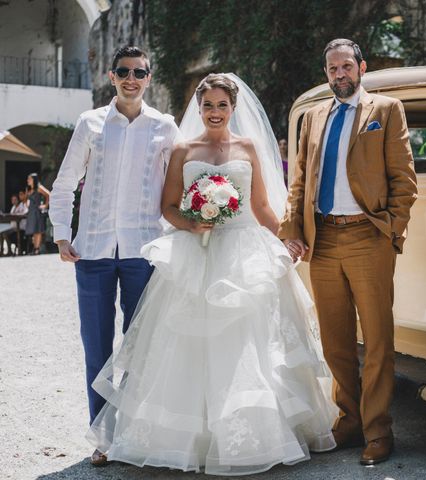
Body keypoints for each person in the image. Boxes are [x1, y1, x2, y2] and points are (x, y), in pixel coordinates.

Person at [85, 73, 337, 475]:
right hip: (196, 252)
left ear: (233, 108)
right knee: (185, 344)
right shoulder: (184, 149)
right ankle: (187, 439)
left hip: (241, 249)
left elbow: (262, 208)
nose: (214, 112)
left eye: (222, 105)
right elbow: (167, 206)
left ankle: (253, 434)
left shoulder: (248, 146)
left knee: (246, 341)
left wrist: (286, 239)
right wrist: (192, 223)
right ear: (198, 109)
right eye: (207, 105)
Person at [278, 38, 418, 465]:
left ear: (361, 68)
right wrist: (292, 228)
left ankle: (378, 431)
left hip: (367, 237)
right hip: (323, 240)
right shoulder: (313, 117)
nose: (339, 75)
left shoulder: (386, 110)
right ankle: (350, 421)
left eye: (346, 67)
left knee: (377, 340)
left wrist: (391, 228)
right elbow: (299, 180)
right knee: (336, 341)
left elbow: (404, 179)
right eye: (332, 69)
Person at [49, 45, 182, 466]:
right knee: (97, 347)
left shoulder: (164, 126)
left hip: (144, 251)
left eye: (138, 72)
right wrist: (60, 234)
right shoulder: (90, 123)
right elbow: (66, 181)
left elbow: (181, 182)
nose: (131, 78)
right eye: (123, 71)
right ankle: (103, 438)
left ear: (148, 77)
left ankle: (134, 434)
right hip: (93, 251)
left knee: (140, 347)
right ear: (111, 76)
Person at [25, 173, 50, 254]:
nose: (28, 180)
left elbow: (48, 194)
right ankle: (35, 248)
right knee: (33, 230)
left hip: (37, 211)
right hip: (31, 211)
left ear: (34, 180)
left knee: (37, 230)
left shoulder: (39, 187)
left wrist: (45, 205)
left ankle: (36, 249)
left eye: (29, 179)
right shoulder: (30, 189)